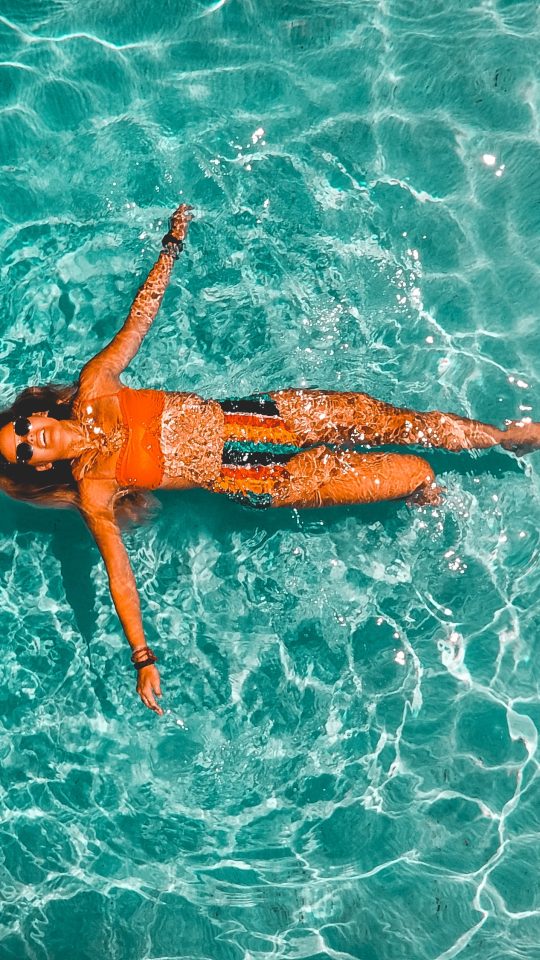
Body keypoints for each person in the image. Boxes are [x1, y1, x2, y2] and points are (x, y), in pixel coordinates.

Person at [0, 203, 538, 715]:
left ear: (34, 414)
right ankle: (426, 498)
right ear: (36, 466)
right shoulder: (94, 489)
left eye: (21, 426)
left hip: (270, 416)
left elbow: (137, 322)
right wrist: (143, 657)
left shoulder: (95, 386)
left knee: (394, 422)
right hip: (268, 479)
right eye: (23, 451)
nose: (31, 438)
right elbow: (119, 576)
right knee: (414, 473)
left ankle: (500, 438)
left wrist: (170, 247)